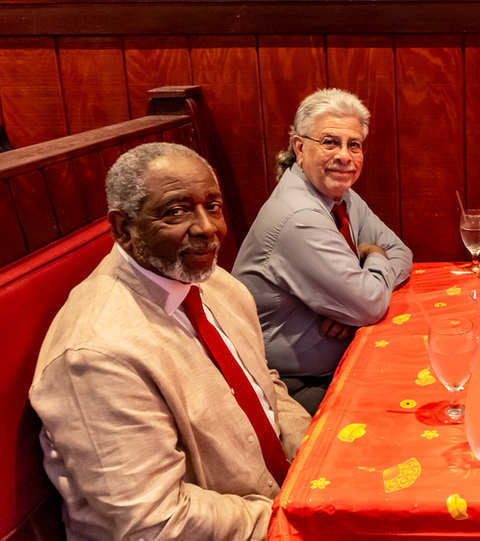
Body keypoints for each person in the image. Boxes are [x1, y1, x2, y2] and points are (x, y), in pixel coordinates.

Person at [30, 143, 312, 540]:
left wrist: (317, 456)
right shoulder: (97, 354)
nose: (207, 228)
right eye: (176, 211)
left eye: (212, 206)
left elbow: (264, 387)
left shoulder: (214, 282)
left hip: (277, 494)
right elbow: (155, 522)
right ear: (124, 228)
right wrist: (288, 522)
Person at [233, 88, 412, 415]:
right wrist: (362, 286)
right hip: (289, 386)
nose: (344, 156)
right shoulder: (300, 215)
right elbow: (369, 304)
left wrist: (354, 297)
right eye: (330, 142)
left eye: (353, 145)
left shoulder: (342, 196)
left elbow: (400, 251)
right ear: (299, 147)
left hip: (339, 359)